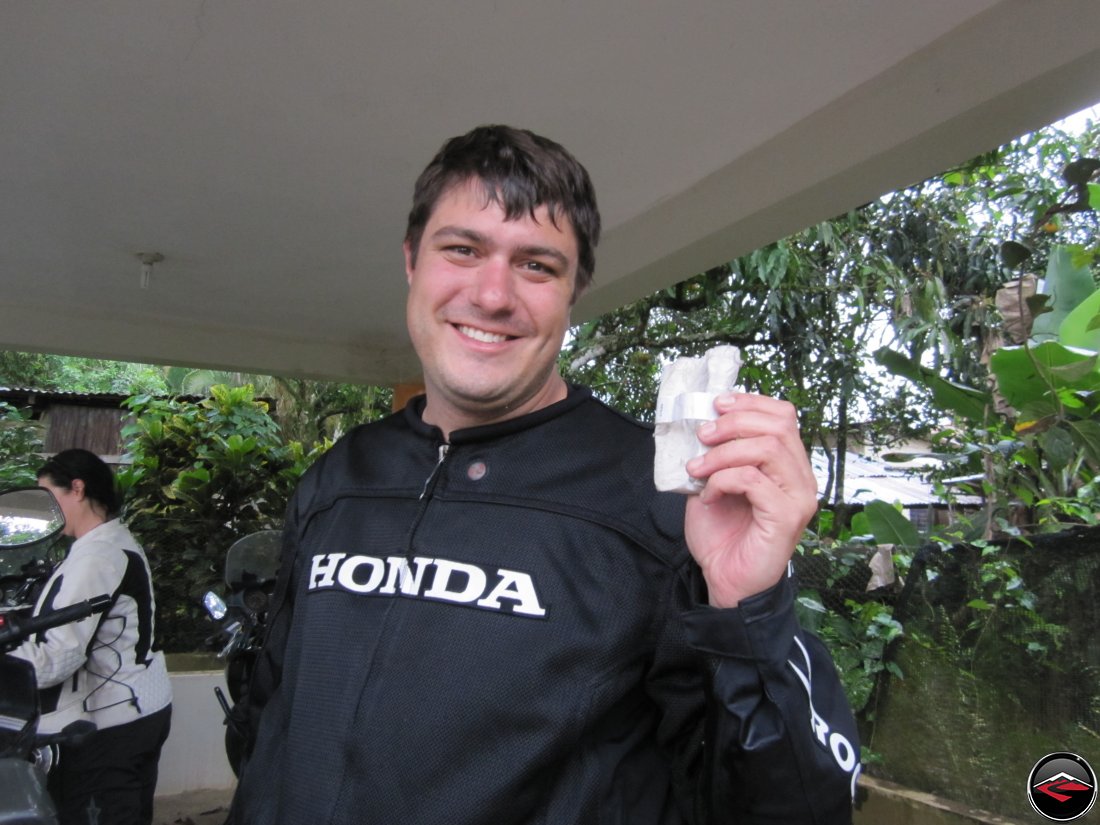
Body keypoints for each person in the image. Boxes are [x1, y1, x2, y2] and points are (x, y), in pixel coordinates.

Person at [229, 125, 860, 824]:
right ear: (412, 260)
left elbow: (796, 808)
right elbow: (269, 728)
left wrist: (746, 613)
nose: (493, 294)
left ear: (574, 291)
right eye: (462, 249)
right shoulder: (338, 479)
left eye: (536, 265)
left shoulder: (666, 504)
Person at [11, 448, 173, 825]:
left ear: (78, 489)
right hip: (138, 709)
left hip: (109, 723)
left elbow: (58, 657)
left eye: (50, 496)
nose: (47, 509)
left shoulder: (98, 555)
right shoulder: (111, 543)